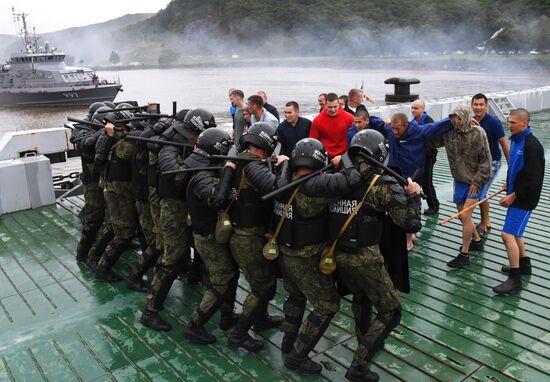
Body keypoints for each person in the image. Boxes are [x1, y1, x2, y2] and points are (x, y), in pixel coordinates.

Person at [329, 129, 422, 382]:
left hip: (339, 252)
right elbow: (410, 224)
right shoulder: (380, 183)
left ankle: (366, 339)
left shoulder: (337, 176)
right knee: (391, 310)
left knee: (361, 297)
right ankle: (359, 364)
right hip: (367, 256)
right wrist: (413, 197)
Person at [276, 138, 361, 374]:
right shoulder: (316, 184)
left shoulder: (286, 180)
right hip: (305, 256)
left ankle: (288, 340)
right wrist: (344, 159)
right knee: (327, 304)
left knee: (295, 295)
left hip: (285, 250)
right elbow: (352, 181)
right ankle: (298, 355)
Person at [141, 108, 216, 332]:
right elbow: (174, 176)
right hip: (173, 209)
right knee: (172, 260)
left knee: (191, 254)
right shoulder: (170, 147)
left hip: (188, 208)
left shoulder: (183, 145)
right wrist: (198, 157)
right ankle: (150, 309)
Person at [227, 122, 290, 352]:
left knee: (262, 282)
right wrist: (284, 165)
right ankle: (239, 334)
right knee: (263, 287)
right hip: (248, 236)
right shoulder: (253, 165)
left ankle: (260, 318)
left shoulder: (241, 158)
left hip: (244, 232)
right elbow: (278, 188)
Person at [183, 128, 240, 343]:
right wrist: (228, 170)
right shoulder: (203, 174)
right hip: (207, 236)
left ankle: (226, 315)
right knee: (221, 280)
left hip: (209, 233)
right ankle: (194, 325)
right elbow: (217, 199)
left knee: (231, 273)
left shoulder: (200, 166)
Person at [431, 105, 492, 268]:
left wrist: (477, 182)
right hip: (459, 179)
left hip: (475, 181)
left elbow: (486, 162)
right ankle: (477, 242)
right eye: (453, 118)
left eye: (459, 118)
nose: (456, 121)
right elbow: (432, 140)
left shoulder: (478, 133)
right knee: (462, 216)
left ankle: (464, 254)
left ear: (465, 117)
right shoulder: (449, 132)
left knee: (465, 216)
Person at [494, 108, 544, 294]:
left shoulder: (532, 146)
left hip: (525, 199)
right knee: (515, 234)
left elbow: (533, 178)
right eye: (508, 121)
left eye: (513, 122)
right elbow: (515, 168)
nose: (509, 125)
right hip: (517, 193)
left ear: (524, 123)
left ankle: (515, 280)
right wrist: (509, 183)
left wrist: (514, 195)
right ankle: (524, 265)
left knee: (507, 235)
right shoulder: (515, 141)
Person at [471, 93, 510, 236]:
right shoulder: (471, 121)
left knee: (481, 193)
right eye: (475, 104)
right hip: (478, 163)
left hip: (492, 162)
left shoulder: (493, 122)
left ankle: (485, 222)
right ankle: (485, 220)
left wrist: (510, 169)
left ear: (486, 106)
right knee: (479, 193)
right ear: (472, 106)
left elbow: (504, 144)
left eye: (481, 104)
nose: (478, 107)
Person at [410, 99, 439, 215]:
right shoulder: (413, 122)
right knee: (416, 181)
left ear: (423, 109)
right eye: (412, 107)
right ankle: (416, 205)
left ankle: (434, 206)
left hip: (428, 156)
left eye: (416, 108)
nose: (413, 110)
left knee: (427, 182)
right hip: (417, 156)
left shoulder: (429, 122)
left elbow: (431, 142)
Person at [309, 92, 355, 158]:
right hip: (325, 156)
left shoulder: (350, 118)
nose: (333, 110)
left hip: (345, 155)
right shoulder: (317, 120)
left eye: (335, 107)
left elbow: (355, 138)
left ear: (339, 104)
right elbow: (313, 142)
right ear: (325, 105)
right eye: (330, 107)